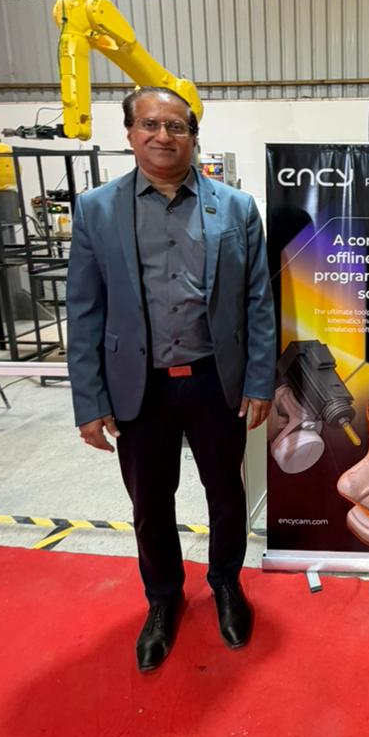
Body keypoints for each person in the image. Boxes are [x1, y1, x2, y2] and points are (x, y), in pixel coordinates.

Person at [67, 87, 276, 673]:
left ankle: (227, 585)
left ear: (193, 136)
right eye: (151, 125)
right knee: (150, 503)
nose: (164, 136)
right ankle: (162, 600)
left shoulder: (235, 208)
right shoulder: (97, 210)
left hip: (216, 382)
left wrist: (259, 381)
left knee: (225, 493)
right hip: (141, 386)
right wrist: (90, 401)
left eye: (177, 126)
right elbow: (83, 311)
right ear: (130, 133)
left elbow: (259, 301)